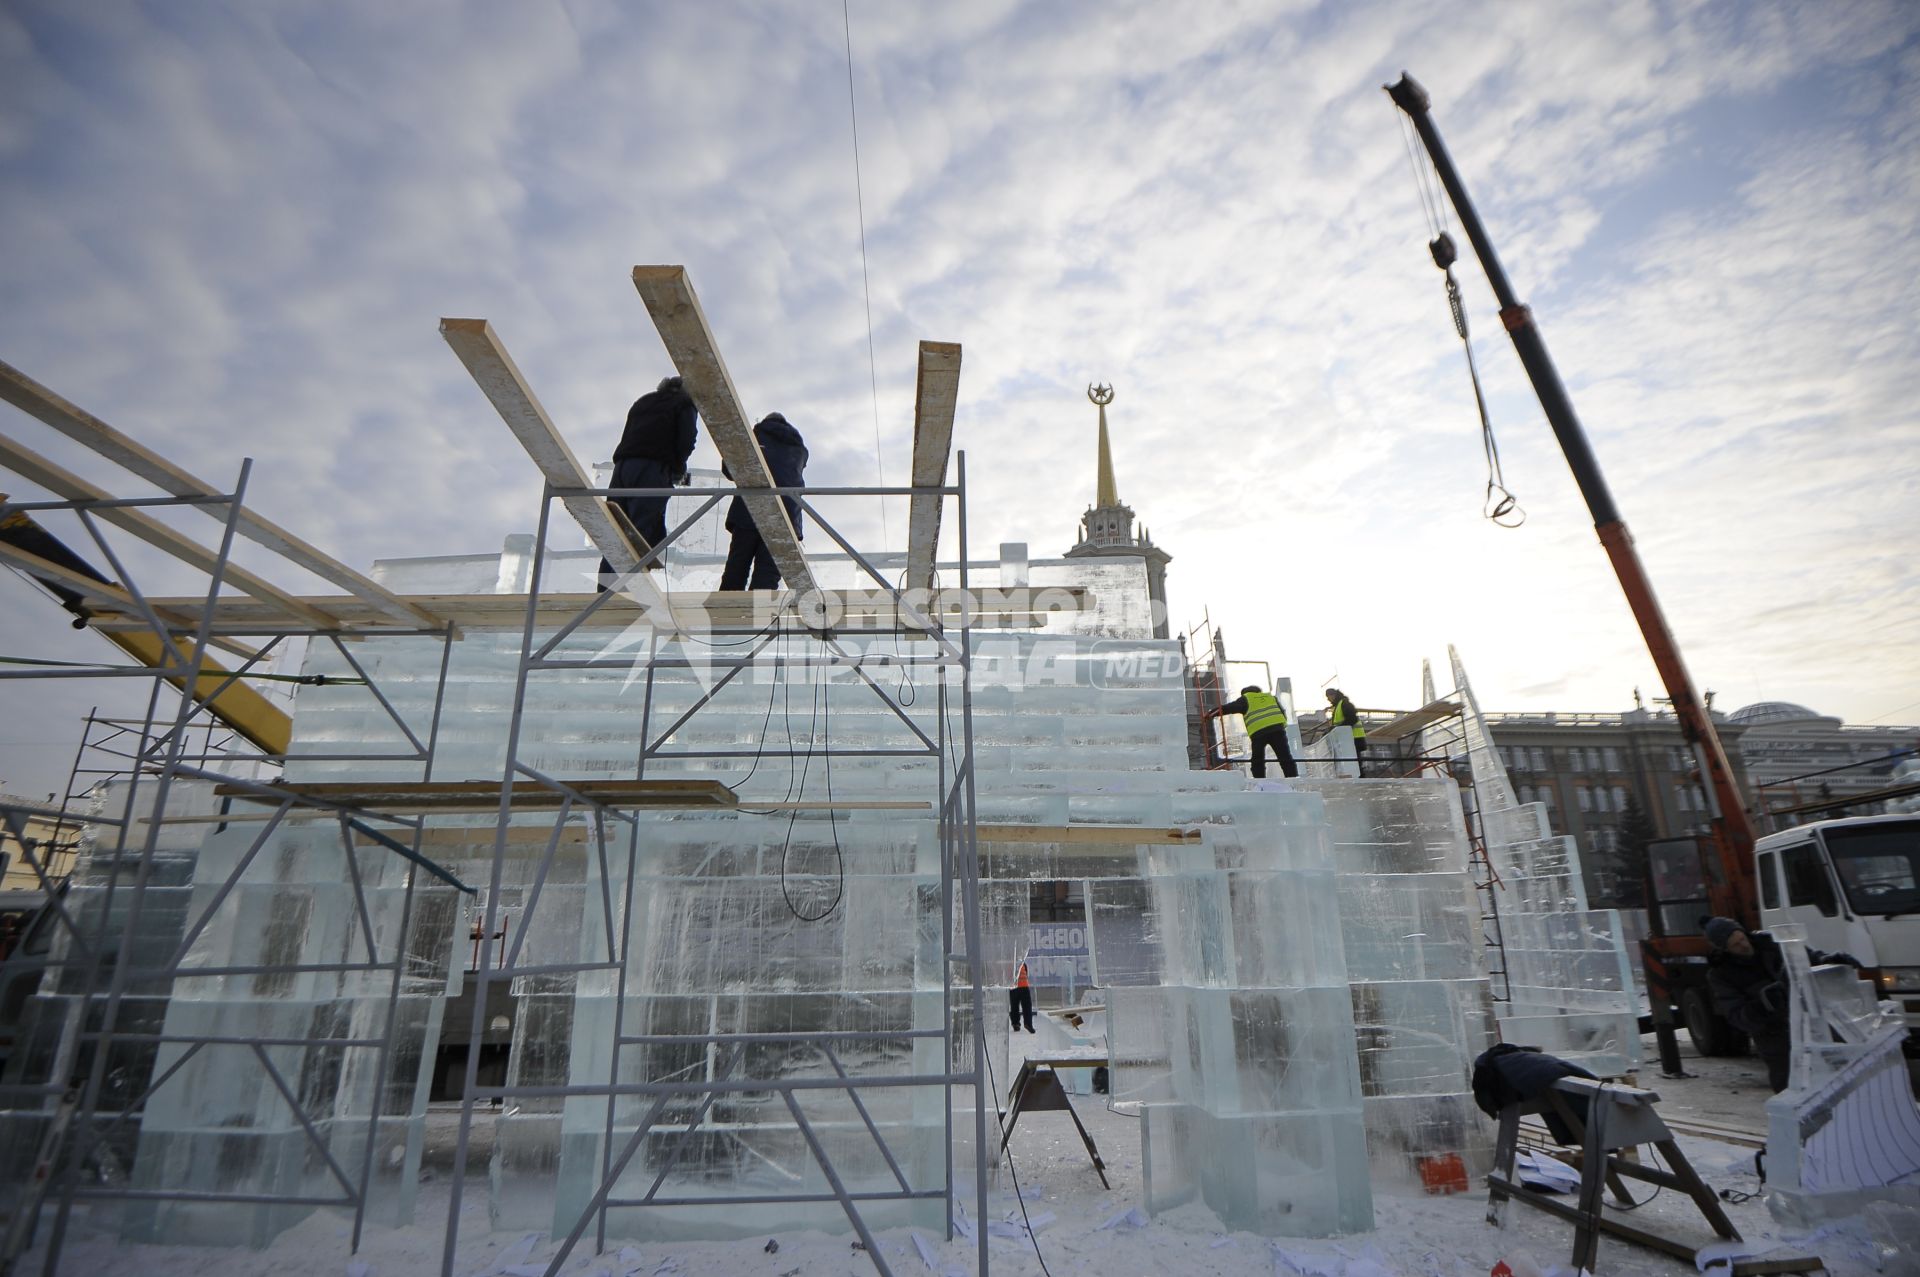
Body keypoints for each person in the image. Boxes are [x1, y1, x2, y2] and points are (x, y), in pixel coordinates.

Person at [1703, 915, 1859, 1093]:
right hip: (1778, 1042)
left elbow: (1807, 958)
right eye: (1736, 945)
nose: (1744, 946)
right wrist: (1766, 1004)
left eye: (1742, 939)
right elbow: (1738, 1017)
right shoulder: (1721, 975)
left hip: (1813, 1025)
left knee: (1843, 1080)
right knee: (1793, 1093)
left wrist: (1829, 960)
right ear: (1725, 950)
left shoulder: (1771, 943)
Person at [598, 376, 699, 589]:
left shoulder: (642, 402)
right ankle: (629, 591)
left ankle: (604, 592)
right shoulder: (684, 403)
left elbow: (628, 434)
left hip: (623, 469)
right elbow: (687, 439)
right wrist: (678, 468)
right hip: (652, 469)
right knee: (641, 531)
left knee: (616, 529)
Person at [719, 413, 808, 591]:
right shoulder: (799, 448)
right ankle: (761, 613)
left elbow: (730, 469)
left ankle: (726, 607)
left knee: (739, 562)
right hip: (786, 514)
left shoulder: (754, 437)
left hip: (749, 509)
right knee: (768, 570)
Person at [1209, 684, 1298, 779]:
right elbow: (1282, 712)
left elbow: (1229, 708)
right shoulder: (1270, 697)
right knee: (1285, 757)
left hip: (1259, 732)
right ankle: (1293, 778)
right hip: (1277, 730)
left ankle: (1260, 781)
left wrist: (1212, 713)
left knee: (1257, 759)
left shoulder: (1246, 698)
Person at [1325, 687, 1368, 776]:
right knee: (1353, 762)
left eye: (1328, 697)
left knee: (1355, 762)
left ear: (1333, 695)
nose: (1328, 699)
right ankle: (1357, 778)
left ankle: (1359, 779)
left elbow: (1352, 719)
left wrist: (1337, 728)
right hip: (1348, 739)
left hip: (1354, 738)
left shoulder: (1344, 703)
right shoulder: (1338, 705)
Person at [1009, 958, 1035, 1034]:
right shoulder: (1022, 963)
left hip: (1013, 987)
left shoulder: (1009, 963)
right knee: (1027, 1006)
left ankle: (1015, 1023)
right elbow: (1026, 973)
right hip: (1024, 986)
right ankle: (1028, 1023)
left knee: (1014, 1006)